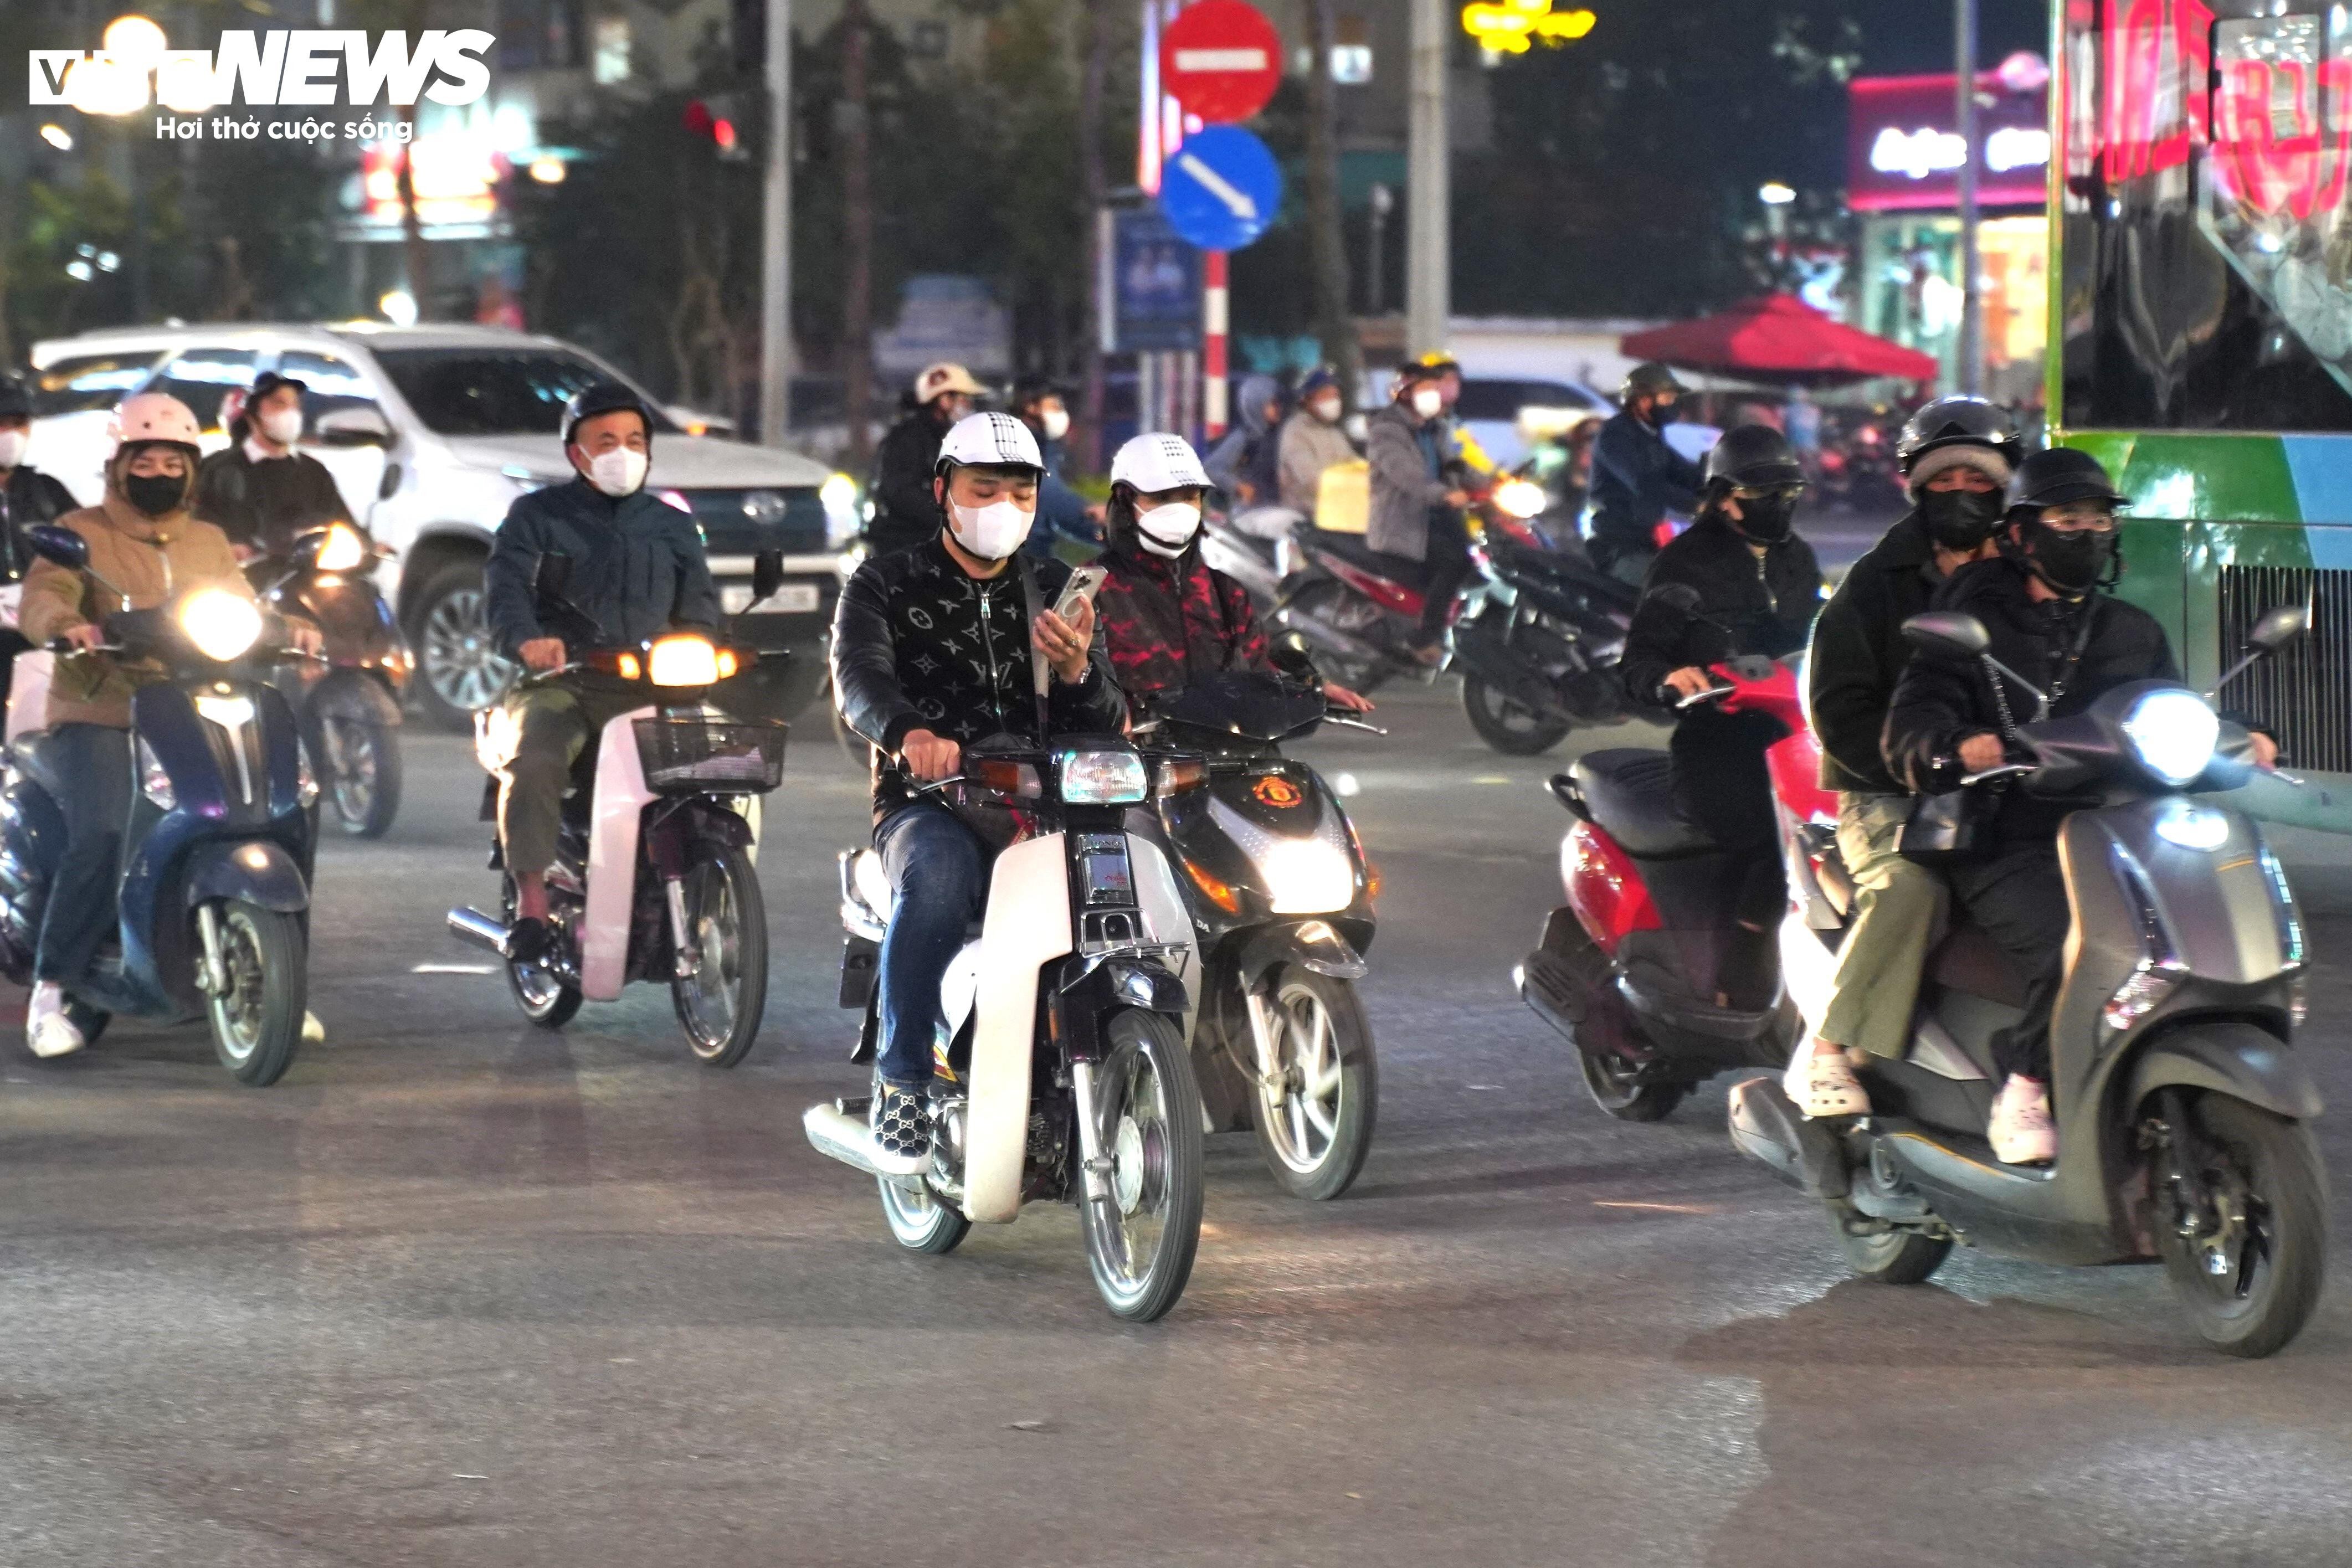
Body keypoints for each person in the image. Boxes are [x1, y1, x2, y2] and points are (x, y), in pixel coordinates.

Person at [1883, 448, 2277, 1165]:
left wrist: (2236, 733)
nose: (2086, 533)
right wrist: (1957, 744)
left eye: (2097, 520)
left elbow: (2165, 708)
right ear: (2022, 533)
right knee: (2083, 943)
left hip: (2123, 827)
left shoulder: (2129, 629)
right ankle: (2024, 1081)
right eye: (2067, 519)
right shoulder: (1971, 620)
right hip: (2007, 834)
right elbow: (1912, 724)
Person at [831, 411, 1127, 1173]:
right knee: (938, 880)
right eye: (983, 487)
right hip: (931, 800)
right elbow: (858, 680)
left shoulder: (1060, 588)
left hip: (1048, 801)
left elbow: (1105, 714)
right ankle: (901, 1076)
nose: (1003, 506)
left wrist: (1077, 672)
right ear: (942, 489)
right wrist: (907, 732)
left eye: (1021, 492)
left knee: (1135, 889)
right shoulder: (883, 582)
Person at [14, 393, 315, 1058]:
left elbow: (241, 604)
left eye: (173, 460)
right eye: (143, 459)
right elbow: (47, 594)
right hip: (104, 707)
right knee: (104, 828)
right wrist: (68, 627)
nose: (159, 471)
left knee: (279, 805)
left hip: (193, 704)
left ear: (192, 468)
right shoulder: (81, 530)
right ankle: (53, 985)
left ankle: (279, 967)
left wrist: (287, 626)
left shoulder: (206, 540)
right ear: (119, 467)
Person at [1790, 396, 2021, 1117]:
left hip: (2015, 783)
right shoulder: (1869, 588)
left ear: (2005, 486)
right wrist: (1926, 764)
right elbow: (1838, 714)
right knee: (1910, 886)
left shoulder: (2030, 576)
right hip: (1888, 791)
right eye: (1942, 481)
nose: (1960, 494)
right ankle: (1826, 1047)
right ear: (1916, 488)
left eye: (1976, 481)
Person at [481, 381, 720, 963]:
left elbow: (702, 606)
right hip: (563, 685)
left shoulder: (671, 525)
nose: (623, 451)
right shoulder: (535, 516)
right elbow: (505, 594)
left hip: (654, 687)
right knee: (536, 758)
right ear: (576, 453)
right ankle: (534, 903)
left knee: (725, 768)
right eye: (607, 439)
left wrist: (711, 644)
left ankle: (705, 888)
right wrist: (528, 641)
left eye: (635, 439)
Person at [1618, 425, 1823, 1010]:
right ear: (1723, 497)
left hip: (1793, 736)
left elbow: (1820, 638)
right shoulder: (1685, 563)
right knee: (1767, 837)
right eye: (1762, 494)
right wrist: (1670, 678)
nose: (1776, 506)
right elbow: (1639, 661)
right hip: (1718, 745)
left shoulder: (1798, 559)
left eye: (1786, 493)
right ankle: (1735, 983)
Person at [1091, 431, 1370, 713]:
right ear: (1126, 503)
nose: (1178, 510)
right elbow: (1072, 684)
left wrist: (1313, 687)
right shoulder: (1093, 589)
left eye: (1189, 497)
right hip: (1138, 753)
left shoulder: (1224, 591)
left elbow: (1259, 669)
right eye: (1161, 497)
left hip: (1224, 750)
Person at [1365, 362, 1474, 662]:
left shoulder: (1433, 429)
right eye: (1425, 390)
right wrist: (1444, 494)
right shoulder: (1387, 431)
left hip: (1436, 518)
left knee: (1480, 554)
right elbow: (1408, 476)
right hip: (1404, 526)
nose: (1434, 395)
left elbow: (1456, 465)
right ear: (1405, 394)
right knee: (1456, 561)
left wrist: (1493, 483)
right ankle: (1424, 636)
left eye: (1434, 389)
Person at [194, 370, 354, 561]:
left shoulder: (313, 471)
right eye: (279, 403)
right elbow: (197, 523)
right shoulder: (218, 469)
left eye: (295, 405)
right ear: (252, 413)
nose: (290, 412)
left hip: (304, 577)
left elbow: (341, 522)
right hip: (237, 579)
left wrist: (365, 544)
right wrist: (229, 547)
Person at [0, 374, 81, 704]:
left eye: (18, 423)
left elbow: (86, 551)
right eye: (0, 423)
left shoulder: (47, 492)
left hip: (43, 635)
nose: (10, 435)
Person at [1589, 362, 1705, 585]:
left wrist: (1723, 480)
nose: (1673, 404)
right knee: (1670, 590)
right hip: (1619, 546)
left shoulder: (1651, 436)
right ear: (1643, 400)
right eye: (1667, 397)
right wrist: (1696, 506)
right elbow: (1645, 483)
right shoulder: (1615, 435)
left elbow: (1684, 472)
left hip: (1645, 541)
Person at [865, 362, 987, 557]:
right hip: (906, 548)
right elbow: (901, 493)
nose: (969, 406)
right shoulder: (908, 439)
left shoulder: (947, 437)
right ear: (945, 401)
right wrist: (950, 519)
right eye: (964, 399)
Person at [1010, 378, 1102, 559]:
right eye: (1056, 405)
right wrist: (1104, 520)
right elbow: (1049, 496)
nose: (1062, 413)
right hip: (1025, 562)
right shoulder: (1024, 447)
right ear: (1031, 407)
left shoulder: (1044, 445)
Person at [1277, 367, 1356, 517]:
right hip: (1306, 518)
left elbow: (1353, 464)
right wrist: (1349, 487)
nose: (1333, 401)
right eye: (1325, 396)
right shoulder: (1295, 433)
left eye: (1335, 396)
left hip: (1340, 515)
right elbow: (1311, 480)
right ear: (1306, 399)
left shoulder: (1334, 433)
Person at [1204, 373, 1286, 506]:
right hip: (1250, 511)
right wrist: (1239, 486)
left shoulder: (1281, 433)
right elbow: (1212, 469)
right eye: (1272, 404)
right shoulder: (1245, 437)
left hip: (1279, 505)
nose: (1279, 409)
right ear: (1256, 404)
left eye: (1279, 403)